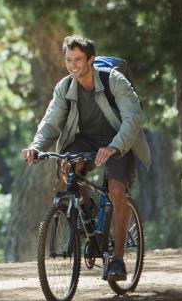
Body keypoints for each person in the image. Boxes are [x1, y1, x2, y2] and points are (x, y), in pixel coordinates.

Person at [22, 35, 150, 281]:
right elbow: (51, 122)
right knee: (67, 167)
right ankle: (86, 209)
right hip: (87, 139)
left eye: (79, 59)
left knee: (116, 192)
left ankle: (118, 261)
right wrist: (36, 146)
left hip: (119, 140)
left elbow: (133, 118)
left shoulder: (114, 81)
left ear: (91, 59)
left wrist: (113, 147)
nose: (73, 65)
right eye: (69, 60)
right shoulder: (65, 87)